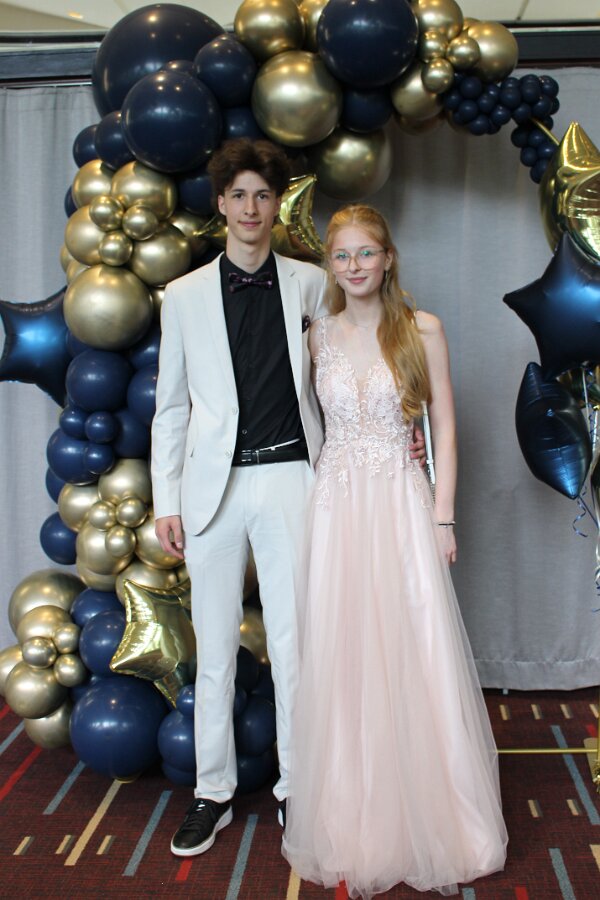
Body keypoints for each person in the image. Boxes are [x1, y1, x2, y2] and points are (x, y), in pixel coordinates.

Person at [151, 139, 426, 858]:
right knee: (213, 651)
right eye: (238, 194)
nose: (251, 207)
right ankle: (212, 792)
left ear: (279, 206)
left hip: (293, 480)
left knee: (298, 646)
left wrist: (404, 428)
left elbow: (371, 344)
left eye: (263, 195)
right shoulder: (182, 296)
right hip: (209, 491)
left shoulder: (312, 283)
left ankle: (298, 788)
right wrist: (165, 500)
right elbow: (170, 408)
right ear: (221, 204)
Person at [282, 205, 508, 898]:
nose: (354, 266)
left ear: (387, 258)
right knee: (346, 652)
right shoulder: (314, 337)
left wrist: (443, 518)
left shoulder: (422, 328)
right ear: (330, 264)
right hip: (337, 507)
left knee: (416, 646)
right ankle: (356, 818)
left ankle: (442, 818)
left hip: (401, 503)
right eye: (341, 255)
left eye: (366, 253)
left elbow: (444, 425)